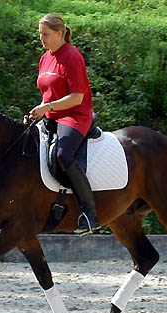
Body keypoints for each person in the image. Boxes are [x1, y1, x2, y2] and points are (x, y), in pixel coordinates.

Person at [29, 13, 100, 235]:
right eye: (40, 34)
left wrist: (47, 107)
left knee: (63, 155)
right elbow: (47, 93)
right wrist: (39, 110)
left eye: (46, 34)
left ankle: (90, 214)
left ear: (59, 33)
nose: (41, 38)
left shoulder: (72, 56)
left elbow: (77, 97)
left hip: (75, 115)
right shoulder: (45, 57)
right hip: (51, 116)